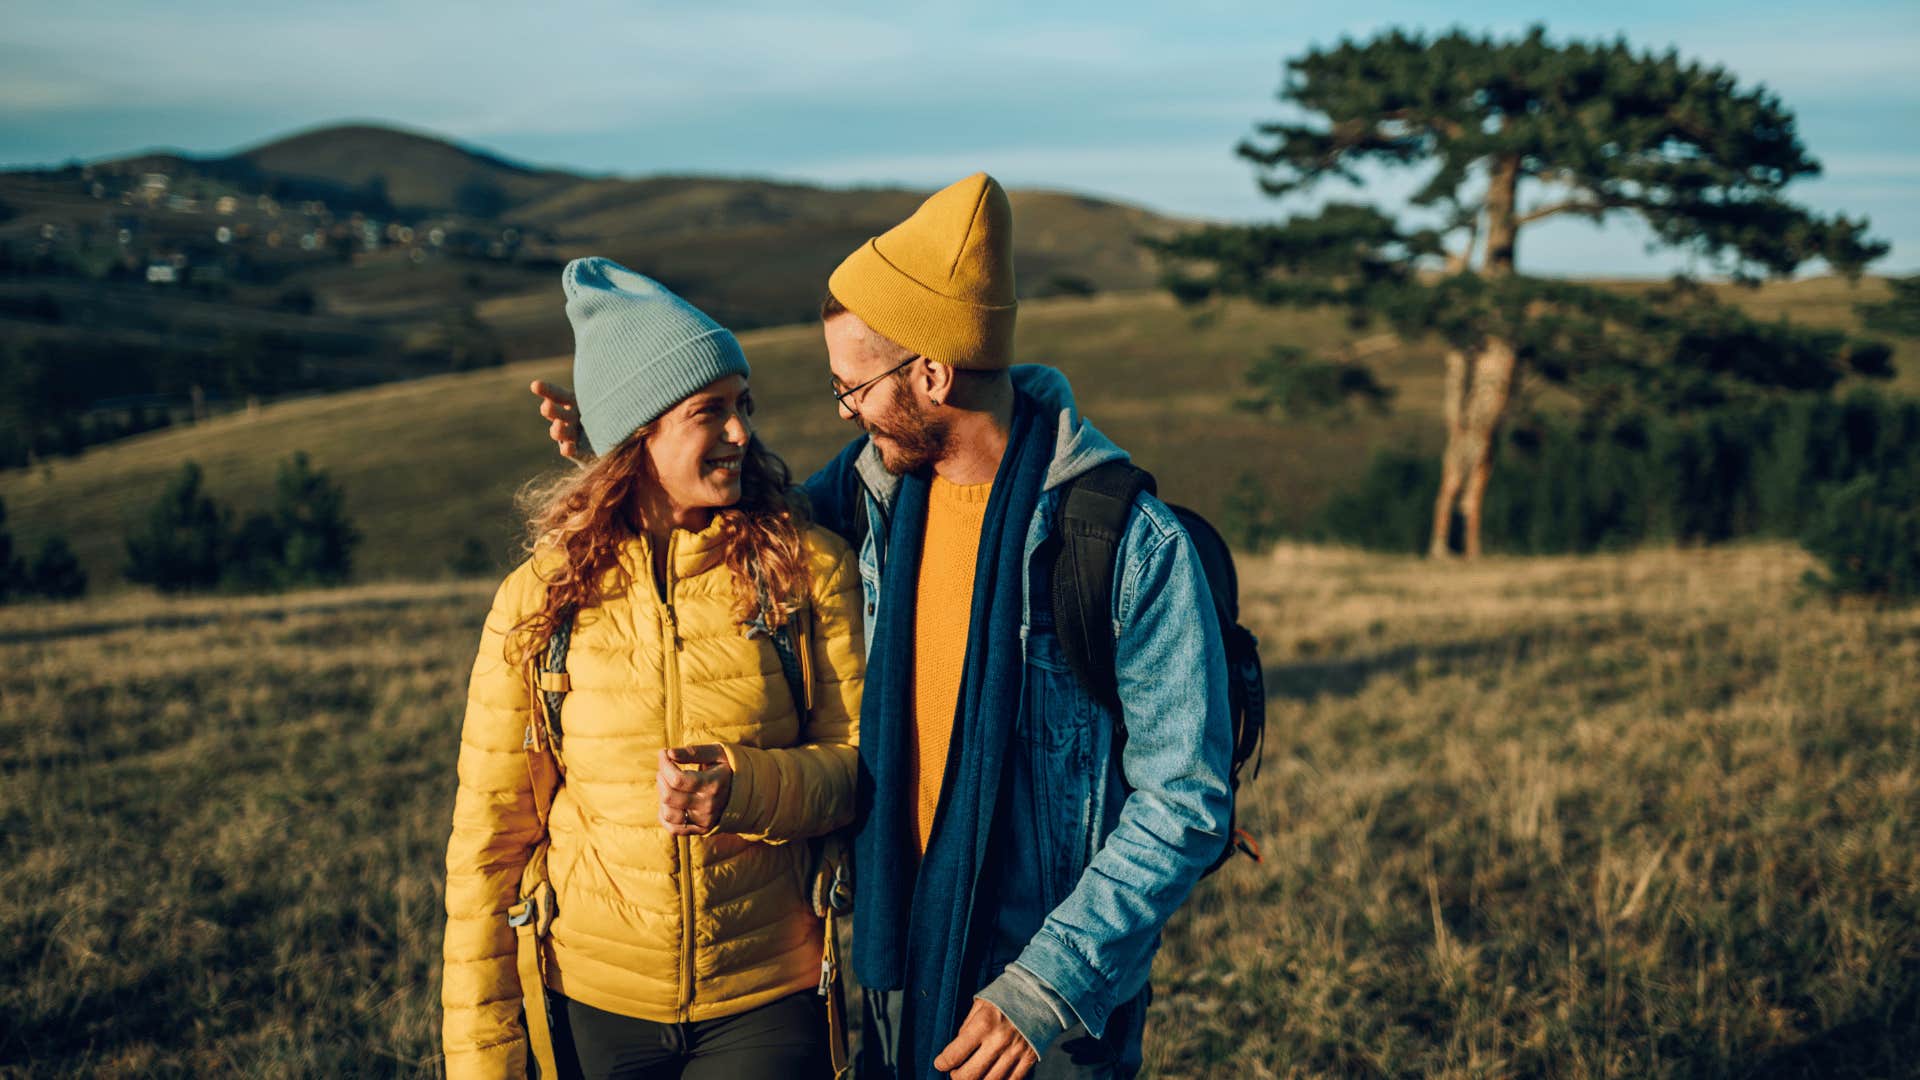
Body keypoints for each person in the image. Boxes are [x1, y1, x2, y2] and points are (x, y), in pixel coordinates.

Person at [535, 176, 1232, 1080]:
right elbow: (731, 511)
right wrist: (621, 450)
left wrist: (1042, 991)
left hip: (1047, 1005)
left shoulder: (1125, 544)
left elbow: (1186, 801)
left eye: (852, 386)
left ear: (933, 375)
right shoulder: (867, 499)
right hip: (898, 959)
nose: (846, 410)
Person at [445, 258, 865, 1079]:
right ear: (638, 436)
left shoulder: (805, 572)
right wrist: (481, 1064)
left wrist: (743, 789)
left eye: (744, 406)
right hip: (591, 1003)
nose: (743, 432)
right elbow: (489, 847)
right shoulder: (540, 600)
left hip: (767, 1001)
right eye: (712, 412)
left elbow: (856, 775)